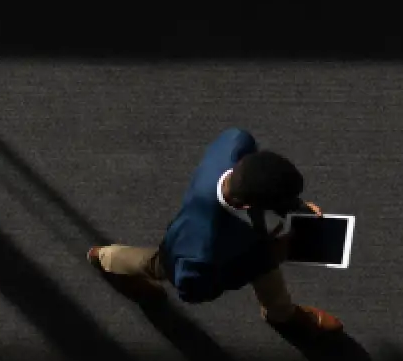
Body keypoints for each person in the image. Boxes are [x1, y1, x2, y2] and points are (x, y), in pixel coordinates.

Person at [87, 126, 343, 335]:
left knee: (274, 291)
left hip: (248, 246)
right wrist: (262, 261)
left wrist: (295, 207)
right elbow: (194, 292)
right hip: (193, 253)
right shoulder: (198, 254)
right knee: (156, 264)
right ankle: (104, 257)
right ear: (246, 205)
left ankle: (282, 315)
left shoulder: (236, 143)